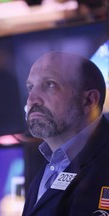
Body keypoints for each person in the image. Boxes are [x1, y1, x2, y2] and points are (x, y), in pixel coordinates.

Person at [22, 51, 109, 216]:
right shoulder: (51, 164)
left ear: (89, 100)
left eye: (50, 84)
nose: (32, 99)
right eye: (30, 87)